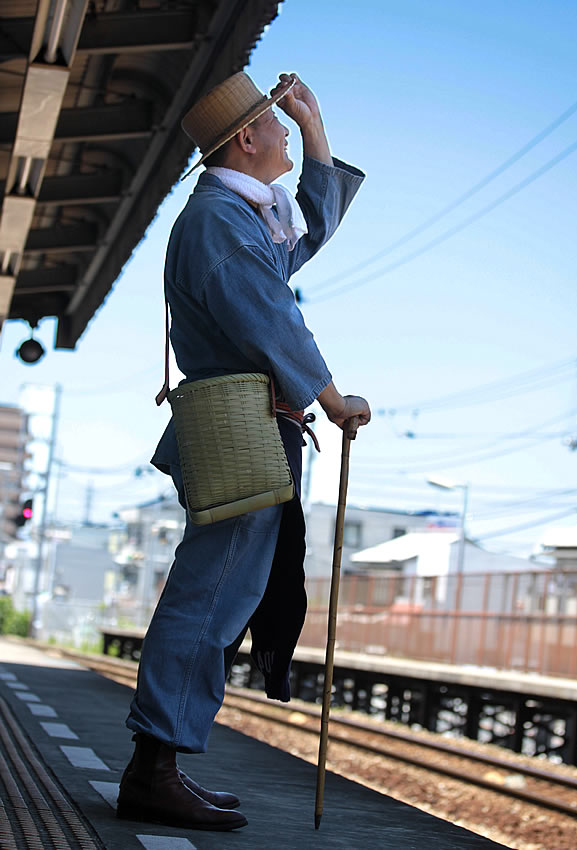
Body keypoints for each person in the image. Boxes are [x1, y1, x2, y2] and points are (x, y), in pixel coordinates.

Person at [117, 71, 371, 832]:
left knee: (220, 596)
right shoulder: (222, 221)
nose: (287, 133)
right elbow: (269, 318)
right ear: (245, 139)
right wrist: (331, 396)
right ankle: (152, 771)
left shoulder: (242, 215)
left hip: (252, 428)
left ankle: (156, 767)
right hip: (244, 430)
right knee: (211, 596)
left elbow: (310, 230)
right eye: (278, 123)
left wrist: (317, 120)